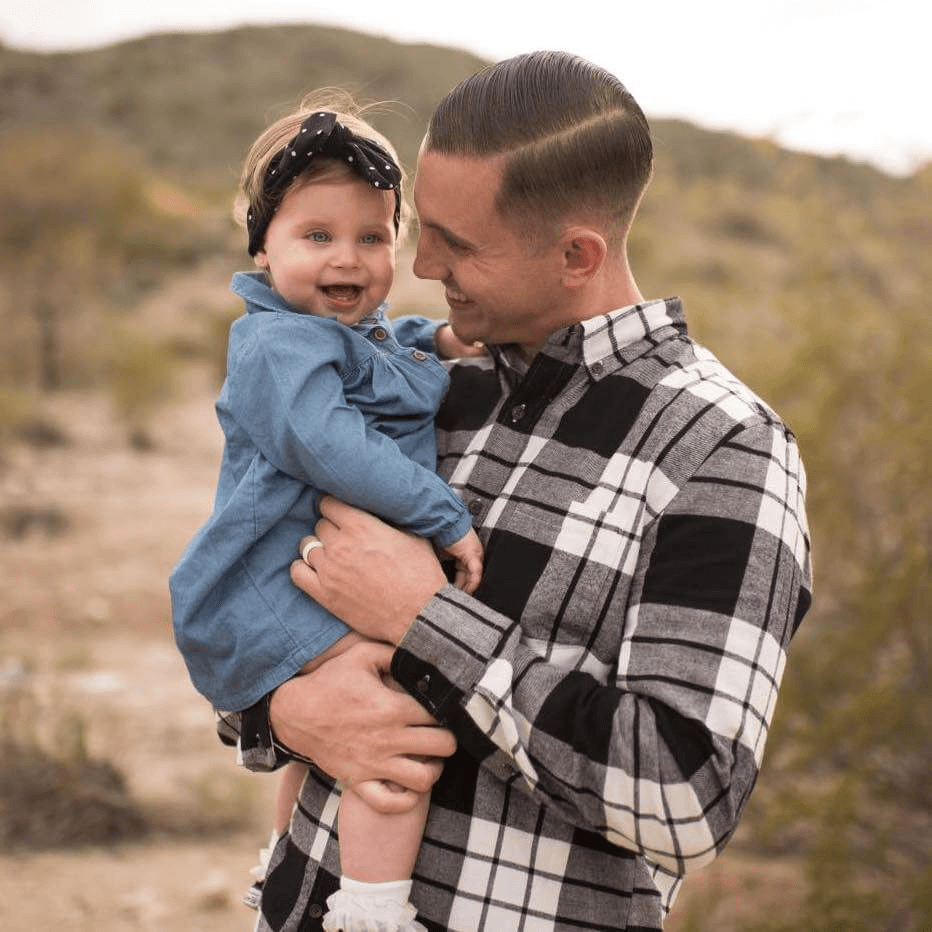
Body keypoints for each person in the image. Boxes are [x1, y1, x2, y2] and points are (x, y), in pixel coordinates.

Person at [208, 52, 813, 931]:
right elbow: (258, 593)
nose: (420, 266)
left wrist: (426, 618)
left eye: (457, 244)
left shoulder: (724, 449)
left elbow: (685, 799)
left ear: (576, 255)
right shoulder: (417, 385)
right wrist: (283, 711)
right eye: (422, 229)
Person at [169, 92, 485, 932]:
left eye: (372, 237)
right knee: (391, 712)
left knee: (330, 725)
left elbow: (382, 345)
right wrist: (444, 515)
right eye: (317, 236)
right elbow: (329, 443)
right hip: (276, 582)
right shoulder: (276, 346)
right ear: (263, 248)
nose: (348, 257)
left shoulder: (342, 333)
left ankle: (283, 857)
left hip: (308, 577)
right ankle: (372, 907)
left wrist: (439, 342)